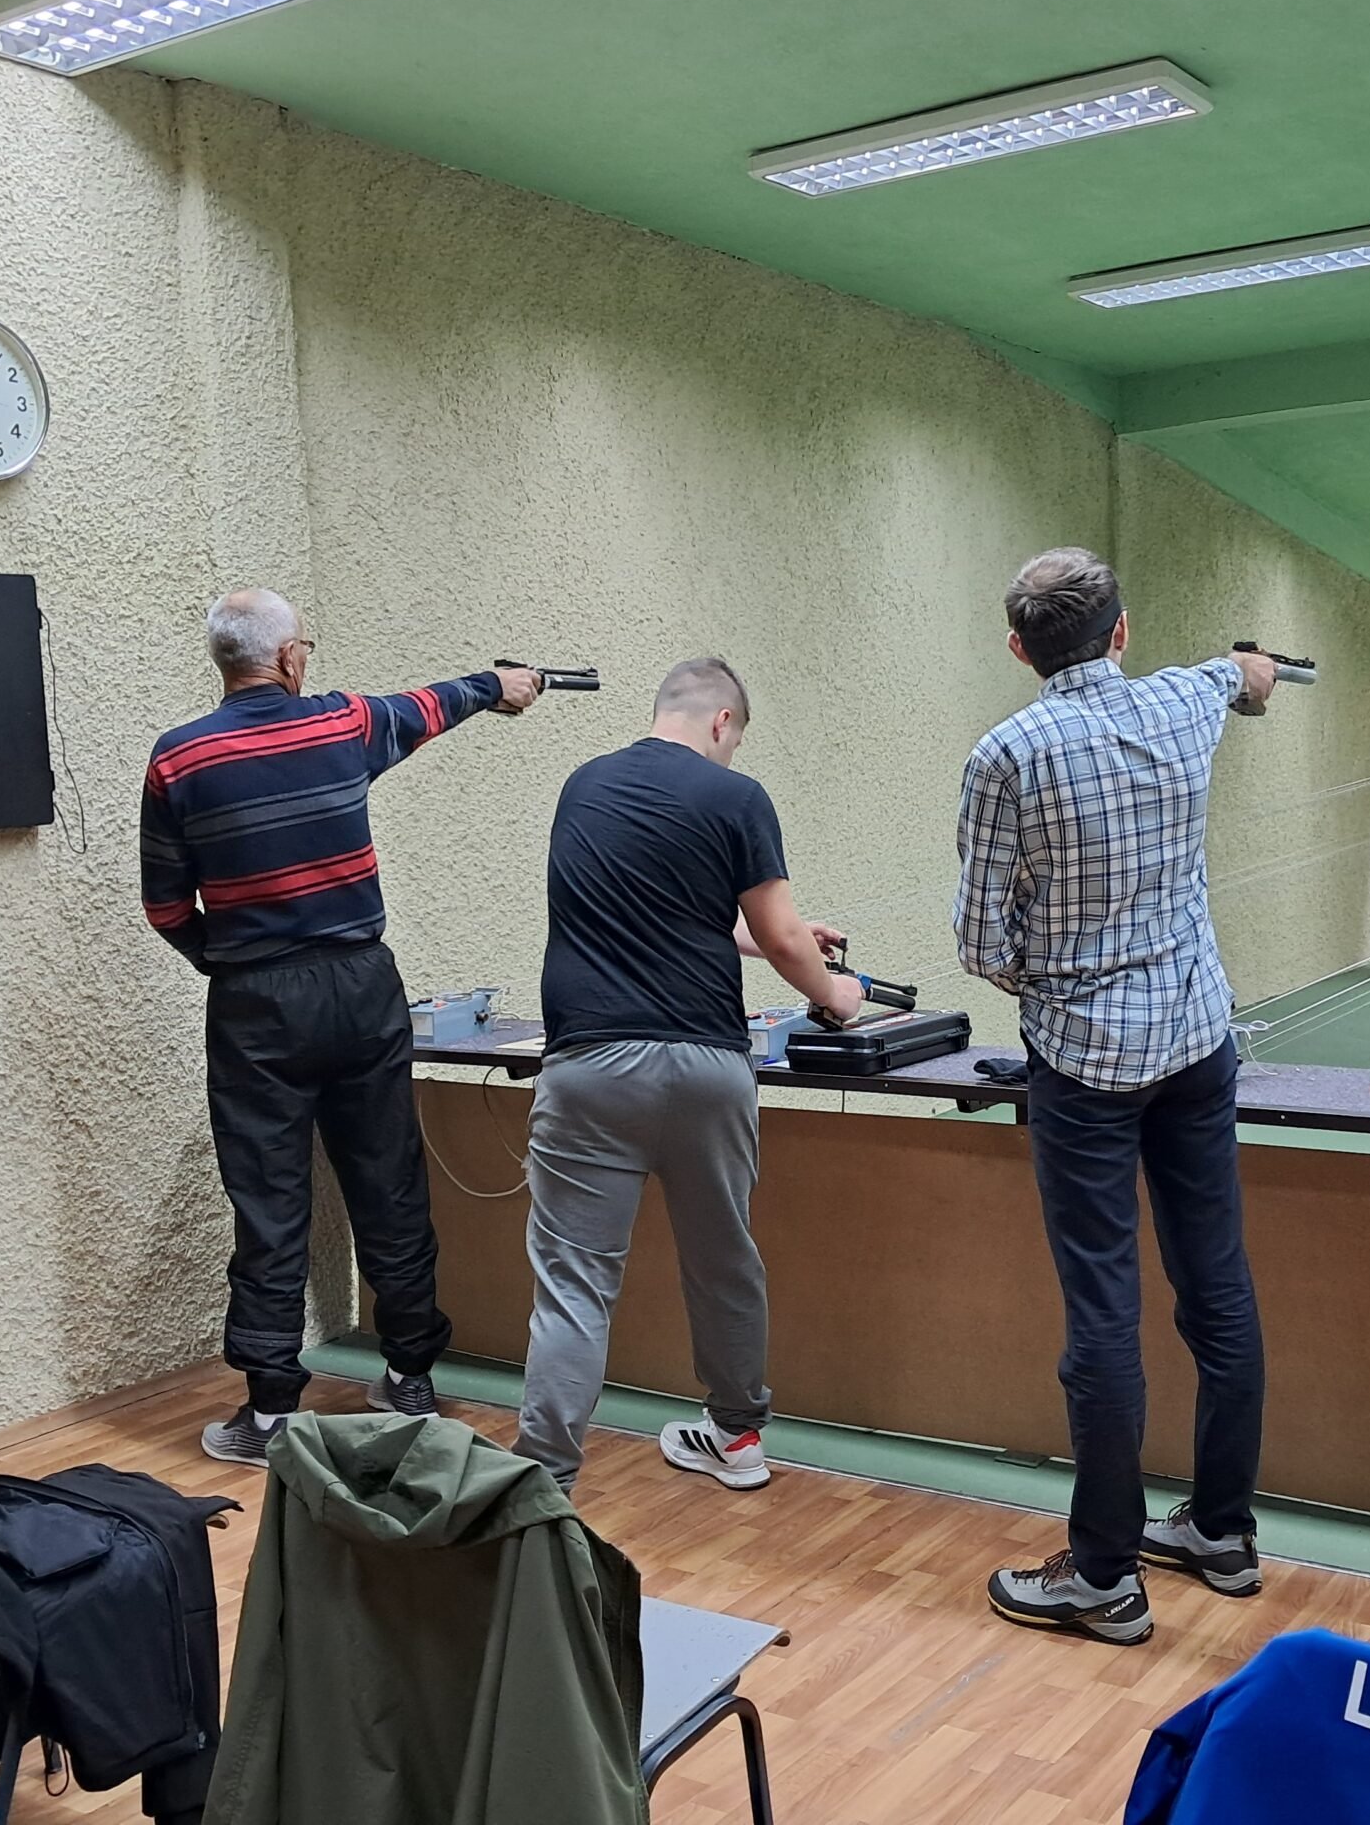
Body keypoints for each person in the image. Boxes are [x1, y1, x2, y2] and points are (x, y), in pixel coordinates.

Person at [954, 547, 1278, 1645]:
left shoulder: (1005, 753)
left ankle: (1104, 1574)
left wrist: (1053, 976)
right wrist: (1254, 673)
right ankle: (1222, 1531)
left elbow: (978, 942)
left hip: (1082, 1065)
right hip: (1196, 1045)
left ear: (1019, 649)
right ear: (1123, 631)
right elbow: (1240, 676)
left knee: (1103, 1313)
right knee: (1217, 1289)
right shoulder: (1185, 704)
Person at [140, 589, 543, 1466]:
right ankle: (409, 1377)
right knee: (388, 1182)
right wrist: (496, 685)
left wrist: (235, 963)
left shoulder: (177, 758)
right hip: (361, 986)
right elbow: (429, 705)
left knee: (268, 1200)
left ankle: (269, 1414)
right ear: (289, 659)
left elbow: (165, 906)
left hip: (254, 1003)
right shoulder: (340, 725)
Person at [513, 658, 863, 1496]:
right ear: (721, 722)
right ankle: (738, 1437)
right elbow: (782, 939)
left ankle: (544, 1484)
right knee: (723, 1263)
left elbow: (664, 910)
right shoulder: (736, 797)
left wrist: (766, 936)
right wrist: (834, 993)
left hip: (591, 1067)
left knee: (574, 1286)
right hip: (706, 1069)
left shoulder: (584, 787)